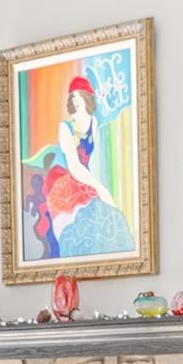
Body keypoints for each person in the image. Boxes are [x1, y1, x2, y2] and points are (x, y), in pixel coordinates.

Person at [38, 75, 130, 258]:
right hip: (63, 179)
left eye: (79, 95)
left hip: (85, 177)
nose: (76, 100)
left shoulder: (93, 123)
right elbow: (74, 165)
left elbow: (93, 157)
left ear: (87, 97)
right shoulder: (65, 127)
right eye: (72, 96)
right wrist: (100, 187)